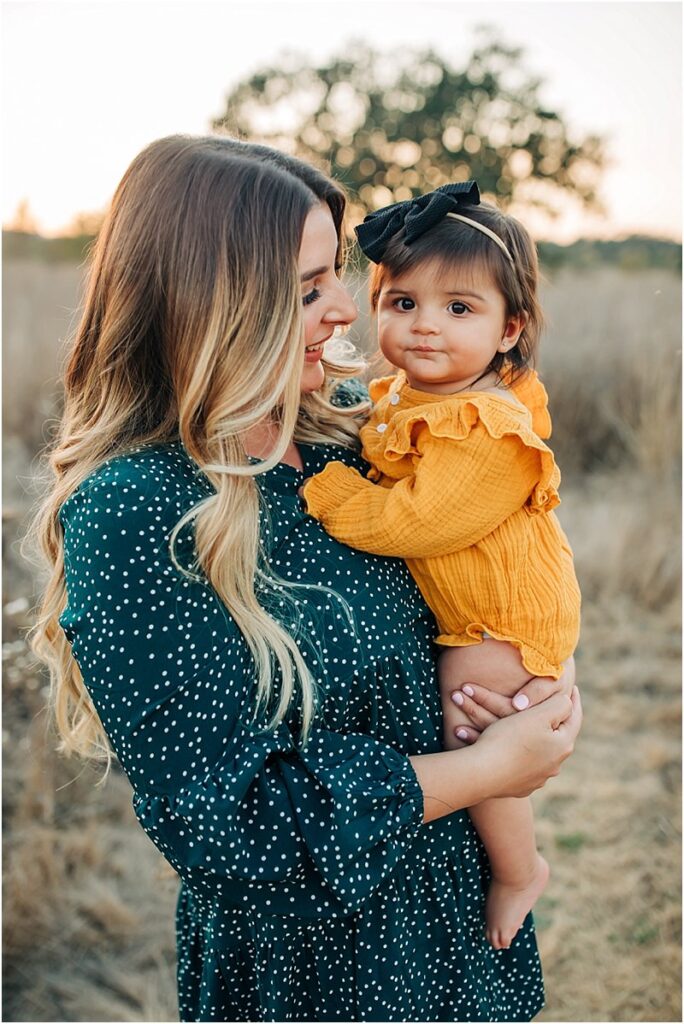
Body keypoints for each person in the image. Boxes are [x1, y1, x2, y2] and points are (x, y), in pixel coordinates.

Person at [31, 135, 581, 1023]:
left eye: (338, 275)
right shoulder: (136, 508)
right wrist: (487, 772)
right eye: (308, 289)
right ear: (207, 305)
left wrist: (540, 694)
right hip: (319, 968)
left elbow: (495, 558)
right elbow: (223, 820)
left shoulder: (351, 434)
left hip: (458, 924)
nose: (346, 314)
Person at [302, 181, 582, 953]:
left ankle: (520, 867)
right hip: (479, 605)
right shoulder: (409, 393)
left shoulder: (487, 423)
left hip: (502, 615)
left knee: (475, 735)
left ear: (508, 328)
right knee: (480, 731)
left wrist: (329, 492)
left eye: (459, 309)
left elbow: (418, 520)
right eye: (402, 303)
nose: (425, 326)